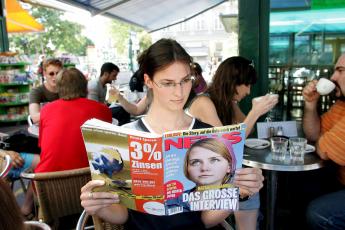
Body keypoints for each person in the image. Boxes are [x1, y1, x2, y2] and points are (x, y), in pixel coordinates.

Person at [80, 38, 264, 230]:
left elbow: (205, 219)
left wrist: (239, 192)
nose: (179, 92)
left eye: (185, 81)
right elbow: (123, 216)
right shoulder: (124, 137)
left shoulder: (208, 136)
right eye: (168, 83)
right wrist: (98, 206)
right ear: (148, 80)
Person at [186, 56, 278, 230]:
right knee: (247, 183)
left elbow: (244, 131)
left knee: (249, 181)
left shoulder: (227, 102)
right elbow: (225, 145)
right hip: (200, 174)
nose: (249, 91)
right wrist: (254, 113)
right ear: (234, 82)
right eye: (247, 85)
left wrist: (250, 111)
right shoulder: (204, 102)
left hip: (217, 168)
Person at [35, 68, 112, 173]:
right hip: (93, 179)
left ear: (58, 88)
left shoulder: (46, 110)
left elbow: (42, 146)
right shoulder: (103, 110)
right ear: (85, 87)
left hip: (49, 182)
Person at [303, 54, 345, 229]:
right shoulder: (341, 105)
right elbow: (314, 136)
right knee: (302, 185)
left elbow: (324, 150)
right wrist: (310, 105)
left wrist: (325, 143)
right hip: (339, 180)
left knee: (319, 213)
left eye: (340, 71)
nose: (333, 77)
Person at [166, 138, 236, 212]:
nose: (204, 168)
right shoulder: (170, 203)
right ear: (187, 168)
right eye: (196, 162)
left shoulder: (240, 197)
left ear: (229, 166)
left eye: (214, 160)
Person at [29, 58, 63, 124]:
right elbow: (34, 118)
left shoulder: (67, 90)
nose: (55, 77)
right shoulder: (36, 91)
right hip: (46, 128)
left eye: (58, 73)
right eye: (51, 74)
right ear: (44, 74)